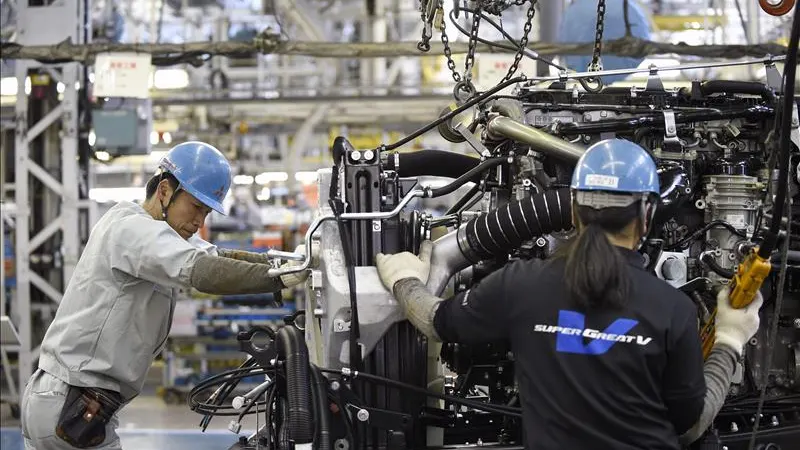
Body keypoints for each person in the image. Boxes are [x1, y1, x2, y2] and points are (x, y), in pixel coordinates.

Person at [375, 139, 763, 450]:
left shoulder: (519, 284)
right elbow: (690, 427)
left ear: (573, 210)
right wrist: (729, 339)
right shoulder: (674, 310)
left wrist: (403, 279)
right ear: (647, 216)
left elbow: (435, 320)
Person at [20, 142, 311, 450]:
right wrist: (279, 277)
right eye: (196, 207)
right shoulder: (132, 229)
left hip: (78, 402)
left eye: (207, 212)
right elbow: (202, 271)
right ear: (164, 191)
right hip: (72, 402)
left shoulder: (167, 235)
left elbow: (219, 256)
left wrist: (290, 264)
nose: (200, 221)